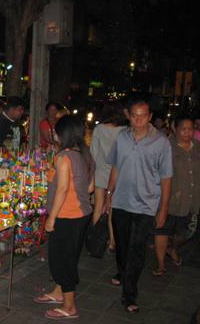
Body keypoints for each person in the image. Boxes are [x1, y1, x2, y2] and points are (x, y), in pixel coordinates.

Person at [105, 96, 172, 313]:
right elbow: (115, 166)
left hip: (146, 204)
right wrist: (109, 192)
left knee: (137, 249)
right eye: (134, 116)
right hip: (121, 201)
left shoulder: (161, 142)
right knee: (122, 246)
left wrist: (163, 208)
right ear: (129, 116)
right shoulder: (122, 138)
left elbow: (166, 178)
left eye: (143, 116)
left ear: (150, 117)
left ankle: (130, 294)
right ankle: (123, 272)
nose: (138, 120)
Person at [34, 115, 94, 320]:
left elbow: (61, 190)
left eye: (56, 131)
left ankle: (70, 306)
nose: (53, 134)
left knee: (62, 261)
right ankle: (59, 292)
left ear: (63, 134)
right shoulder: (85, 155)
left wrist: (52, 218)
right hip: (81, 214)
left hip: (66, 216)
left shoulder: (63, 158)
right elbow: (91, 187)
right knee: (69, 256)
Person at [153, 116, 200, 276]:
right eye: (183, 129)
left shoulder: (198, 147)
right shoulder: (167, 147)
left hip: (192, 198)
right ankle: (160, 264)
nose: (187, 133)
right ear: (175, 128)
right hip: (169, 198)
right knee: (163, 230)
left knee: (187, 232)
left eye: (190, 129)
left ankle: (172, 248)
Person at [90, 101, 126, 252]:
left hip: (100, 172)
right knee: (112, 209)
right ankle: (112, 241)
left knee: (98, 206)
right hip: (117, 174)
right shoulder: (125, 130)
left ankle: (95, 239)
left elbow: (93, 152)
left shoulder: (99, 129)